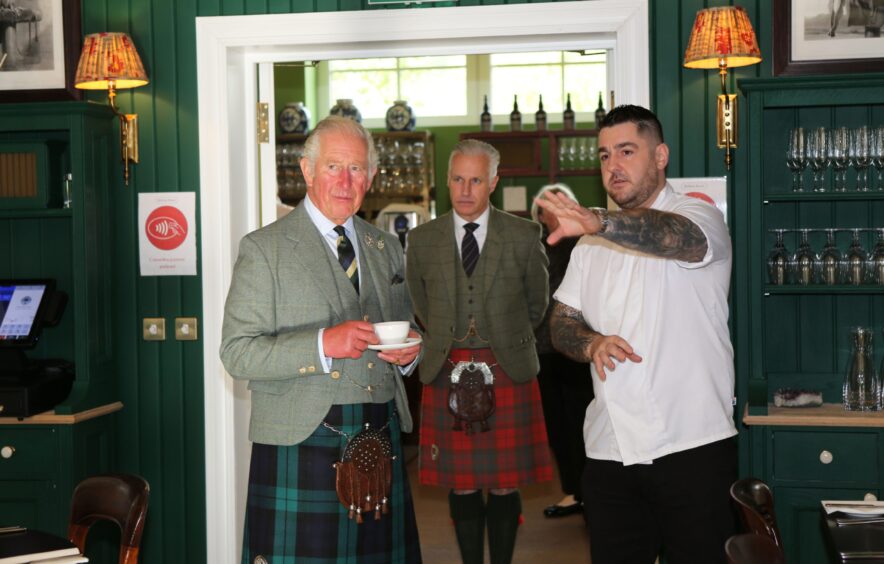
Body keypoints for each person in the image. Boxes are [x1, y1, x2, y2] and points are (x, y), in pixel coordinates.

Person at [536, 105, 737, 564]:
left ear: (661, 155)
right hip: (610, 449)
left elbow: (673, 237)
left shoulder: (697, 216)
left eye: (627, 151)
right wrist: (591, 343)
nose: (613, 166)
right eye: (605, 156)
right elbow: (560, 322)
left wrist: (599, 221)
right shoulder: (589, 245)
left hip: (692, 445)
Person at [220, 116, 422, 563]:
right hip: (303, 441)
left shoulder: (385, 246)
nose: (346, 181)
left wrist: (409, 352)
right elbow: (236, 352)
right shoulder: (265, 249)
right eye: (334, 167)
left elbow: (403, 324)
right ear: (308, 171)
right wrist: (321, 345)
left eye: (357, 170)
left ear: (370, 177)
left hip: (380, 431)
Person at [406, 139, 552, 564]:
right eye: (456, 179)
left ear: (493, 182)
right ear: (447, 181)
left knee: (506, 481)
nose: (465, 189)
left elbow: (536, 303)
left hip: (506, 365)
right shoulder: (423, 239)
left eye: (475, 180)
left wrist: (501, 335)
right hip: (446, 366)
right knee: (462, 483)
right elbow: (420, 301)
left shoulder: (524, 234)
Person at [530, 183, 594, 520]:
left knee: (583, 422)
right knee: (557, 427)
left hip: (576, 346)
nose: (553, 213)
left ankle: (591, 492)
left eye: (560, 205)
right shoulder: (534, 246)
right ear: (539, 214)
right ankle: (573, 490)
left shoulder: (584, 242)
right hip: (542, 348)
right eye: (547, 207)